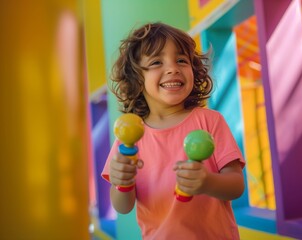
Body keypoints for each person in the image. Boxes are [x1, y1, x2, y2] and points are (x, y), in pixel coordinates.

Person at [101, 22, 246, 239]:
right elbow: (123, 207)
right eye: (157, 62)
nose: (173, 68)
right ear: (136, 79)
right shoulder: (130, 135)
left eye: (181, 60)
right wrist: (122, 182)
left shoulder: (210, 121)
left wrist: (208, 182)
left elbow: (236, 185)